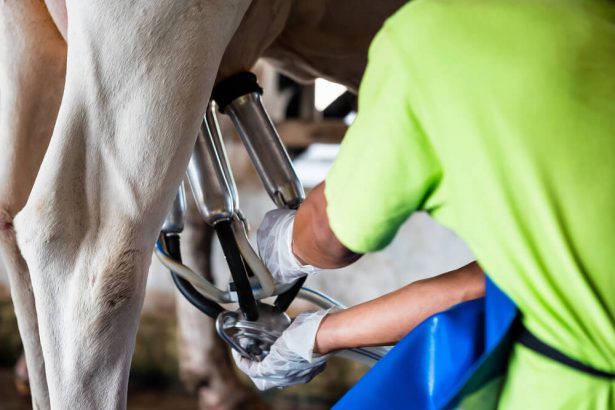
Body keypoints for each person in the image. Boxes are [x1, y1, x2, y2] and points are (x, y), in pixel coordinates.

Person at [233, 0, 615, 407]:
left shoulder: (430, 35)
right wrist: (321, 334)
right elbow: (495, 283)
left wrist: (287, 247)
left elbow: (329, 237)